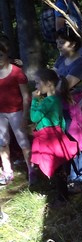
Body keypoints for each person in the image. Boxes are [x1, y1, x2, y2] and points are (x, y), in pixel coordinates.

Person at [54, 27, 82, 193]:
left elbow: (62, 86)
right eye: (57, 42)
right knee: (69, 139)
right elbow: (54, 79)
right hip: (63, 106)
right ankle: (73, 175)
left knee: (81, 141)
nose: (58, 45)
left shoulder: (80, 65)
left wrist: (53, 83)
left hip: (78, 107)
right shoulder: (61, 60)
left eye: (62, 42)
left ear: (74, 44)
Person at [30, 68, 77, 202]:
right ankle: (62, 193)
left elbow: (34, 117)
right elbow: (61, 121)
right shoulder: (55, 100)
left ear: (49, 83)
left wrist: (34, 101)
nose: (36, 86)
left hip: (48, 137)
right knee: (58, 166)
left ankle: (62, 197)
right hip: (56, 135)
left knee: (55, 166)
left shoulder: (47, 101)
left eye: (38, 83)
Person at [0, 37, 34, 185]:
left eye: (1, 55)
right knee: (2, 142)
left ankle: (31, 170)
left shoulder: (16, 72)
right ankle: (7, 171)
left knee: (23, 142)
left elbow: (26, 96)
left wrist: (25, 115)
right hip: (0, 114)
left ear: (6, 54)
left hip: (16, 111)